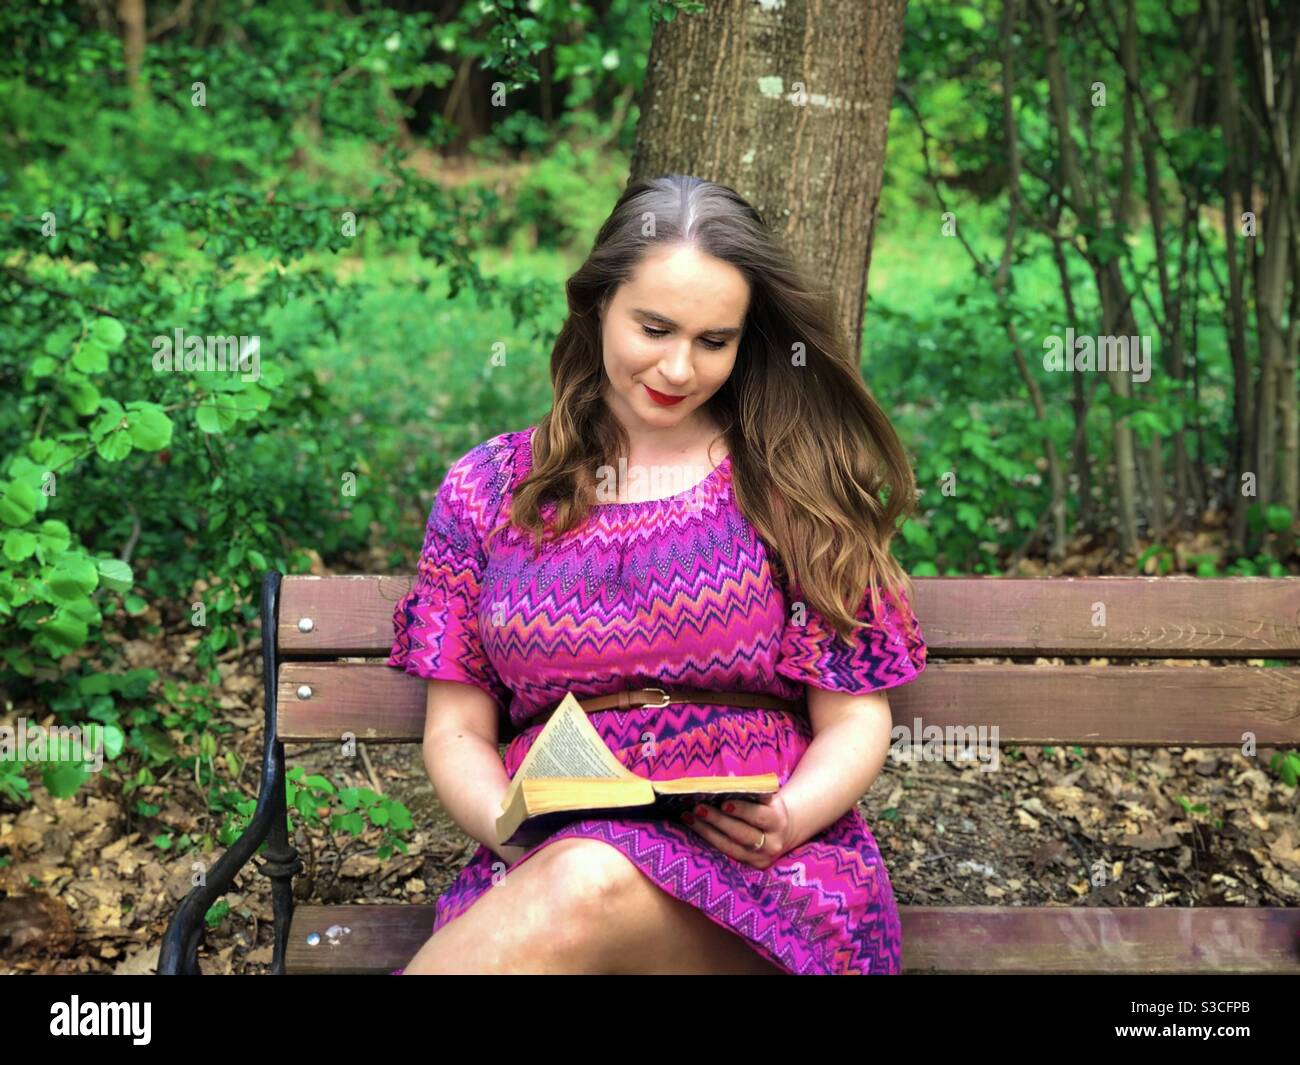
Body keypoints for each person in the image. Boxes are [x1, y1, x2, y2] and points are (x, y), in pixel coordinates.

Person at [387, 175, 927, 975]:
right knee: (580, 873)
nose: (679, 367)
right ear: (599, 304)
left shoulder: (791, 482)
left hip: (767, 879)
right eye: (655, 327)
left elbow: (855, 718)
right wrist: (506, 830)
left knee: (587, 878)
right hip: (546, 865)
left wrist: (790, 815)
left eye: (714, 340)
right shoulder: (489, 488)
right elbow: (458, 729)